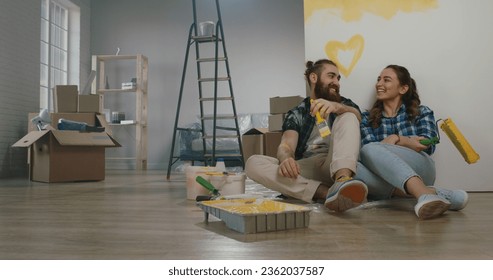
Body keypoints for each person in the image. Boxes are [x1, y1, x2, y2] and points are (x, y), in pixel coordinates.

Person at [245, 59, 368, 212]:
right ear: (314, 78)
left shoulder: (344, 104)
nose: (336, 82)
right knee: (253, 163)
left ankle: (342, 180)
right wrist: (286, 159)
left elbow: (358, 116)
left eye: (338, 78)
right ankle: (326, 193)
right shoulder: (298, 112)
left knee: (349, 116)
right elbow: (286, 145)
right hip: (309, 166)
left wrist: (337, 107)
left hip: (336, 163)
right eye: (331, 76)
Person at [354, 64, 469, 219]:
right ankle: (430, 193)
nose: (379, 84)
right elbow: (369, 154)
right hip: (385, 176)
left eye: (386, 80)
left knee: (369, 150)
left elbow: (428, 146)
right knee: (352, 168)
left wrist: (397, 139)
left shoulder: (422, 112)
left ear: (403, 89)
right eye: (378, 79)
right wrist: (408, 142)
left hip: (421, 169)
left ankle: (420, 191)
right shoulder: (366, 118)